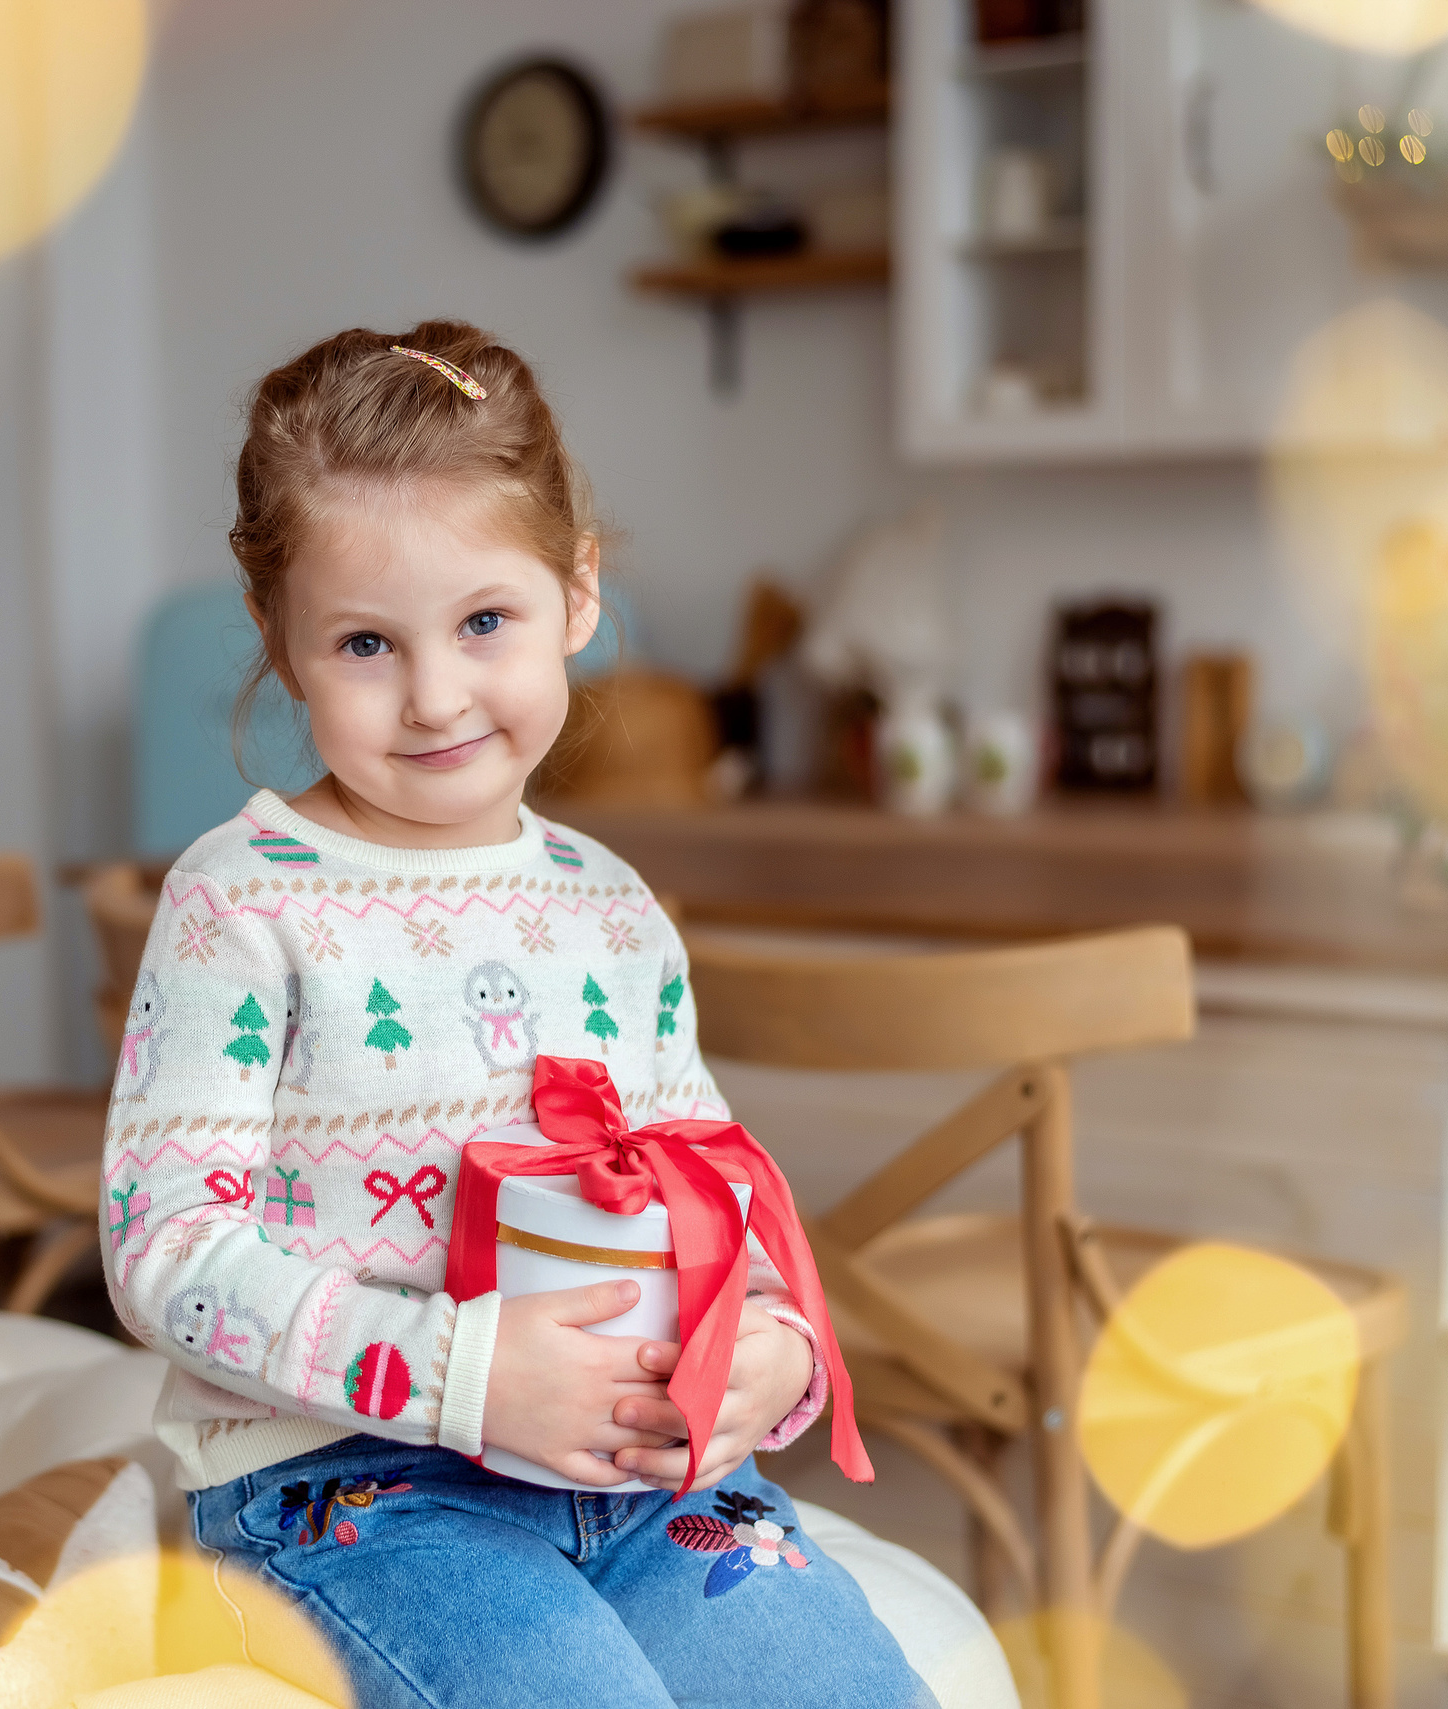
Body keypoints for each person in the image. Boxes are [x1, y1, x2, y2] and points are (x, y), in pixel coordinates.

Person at [101, 321, 936, 1709]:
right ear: (285, 644)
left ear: (578, 591)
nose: (434, 695)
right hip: (351, 1488)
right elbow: (168, 1249)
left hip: (634, 1476)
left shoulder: (612, 907)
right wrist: (465, 1376)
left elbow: (709, 1183)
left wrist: (774, 1350)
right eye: (367, 641)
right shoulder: (238, 900)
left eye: (484, 621)